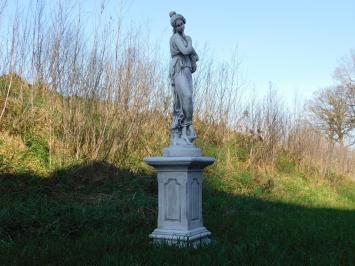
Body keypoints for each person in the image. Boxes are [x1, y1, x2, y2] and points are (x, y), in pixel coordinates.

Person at [169, 11, 199, 145]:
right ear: (174, 27)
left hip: (186, 69)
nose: (180, 26)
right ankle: (185, 125)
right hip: (178, 69)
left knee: (188, 100)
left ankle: (187, 128)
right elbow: (186, 51)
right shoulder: (175, 38)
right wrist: (190, 42)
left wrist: (193, 60)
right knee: (185, 96)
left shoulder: (185, 38)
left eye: (182, 24)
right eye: (178, 25)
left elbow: (195, 56)